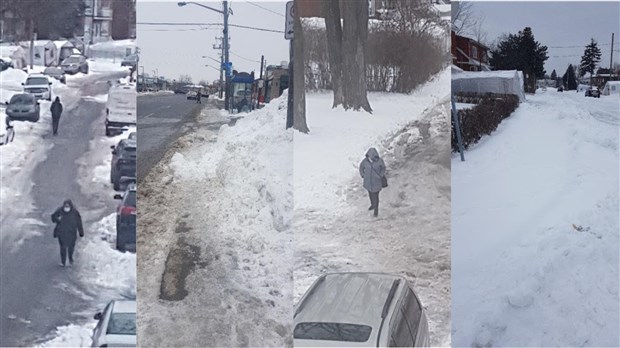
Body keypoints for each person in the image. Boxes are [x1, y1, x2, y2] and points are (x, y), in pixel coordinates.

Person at [51, 199, 84, 266]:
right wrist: (57, 220)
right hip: (61, 232)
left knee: (71, 247)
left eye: (68, 206)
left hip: (71, 233)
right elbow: (53, 217)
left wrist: (81, 232)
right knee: (63, 247)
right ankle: (63, 262)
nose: (66, 208)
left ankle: (70, 259)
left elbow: (79, 222)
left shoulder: (75, 213)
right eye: (65, 206)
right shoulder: (60, 211)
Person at [359, 147, 386, 217]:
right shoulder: (365, 161)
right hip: (368, 182)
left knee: (375, 196)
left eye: (370, 156)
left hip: (376, 182)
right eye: (368, 156)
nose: (369, 158)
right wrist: (363, 175)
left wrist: (380, 175)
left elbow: (383, 168)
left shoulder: (379, 161)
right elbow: (361, 167)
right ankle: (372, 205)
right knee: (370, 194)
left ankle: (376, 210)